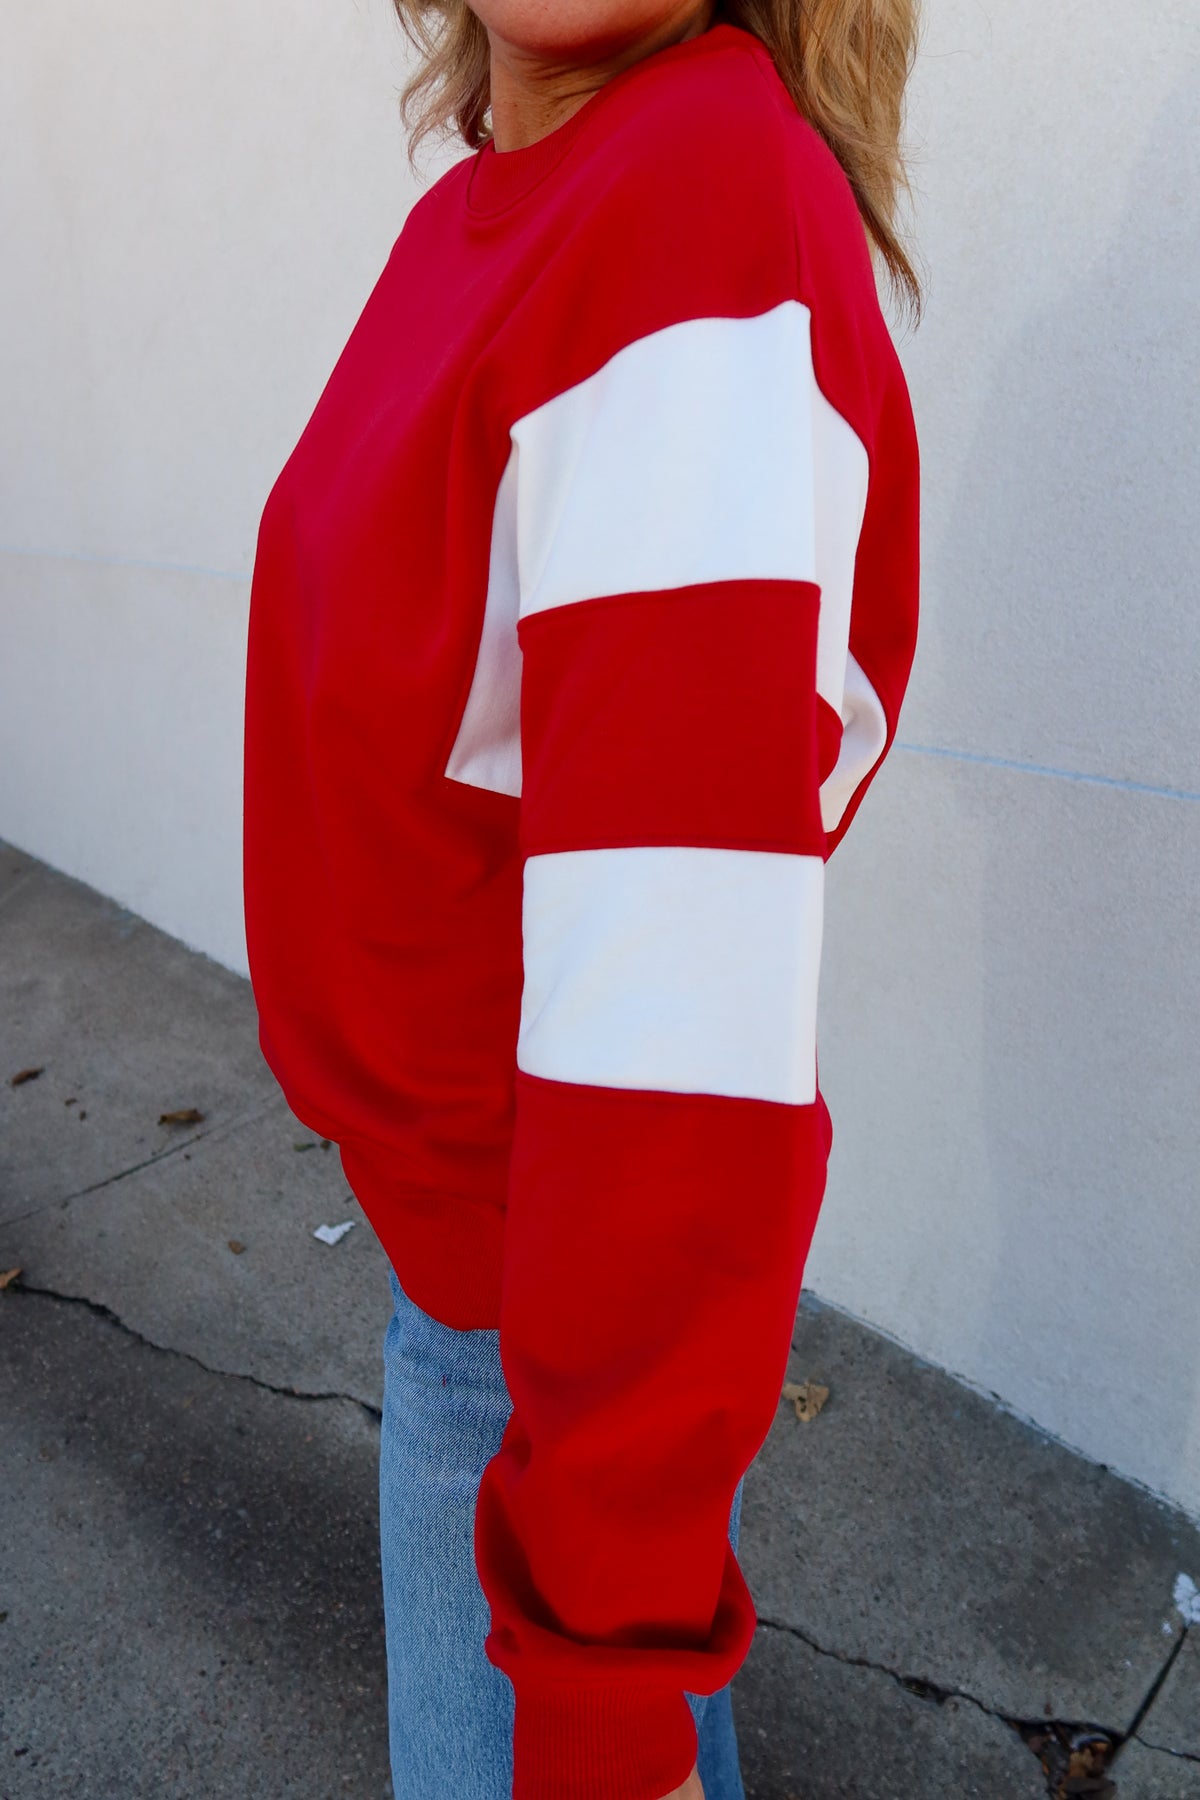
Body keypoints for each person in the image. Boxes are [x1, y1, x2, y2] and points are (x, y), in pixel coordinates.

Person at [241, 1, 923, 1795]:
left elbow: (681, 1027)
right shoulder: (490, 212)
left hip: (530, 1348)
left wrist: (605, 1671)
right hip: (475, 1302)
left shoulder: (694, 197)